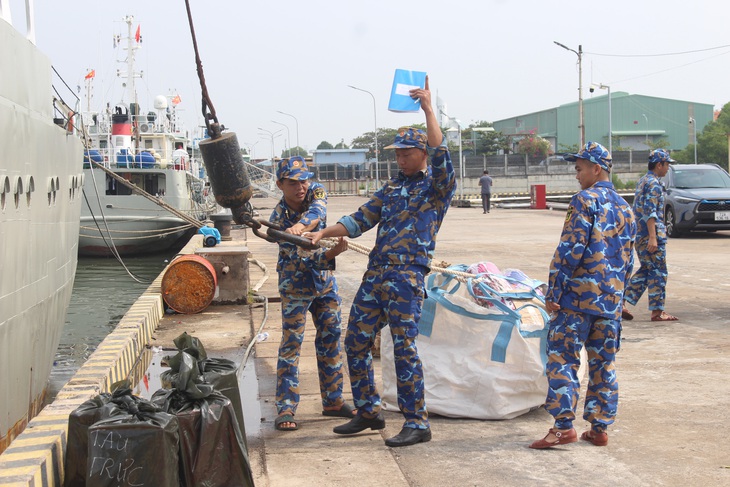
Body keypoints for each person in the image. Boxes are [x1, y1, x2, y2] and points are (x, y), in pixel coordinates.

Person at [309, 76, 456, 447]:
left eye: (407, 152)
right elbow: (360, 219)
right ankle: (368, 411)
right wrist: (323, 233)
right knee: (355, 341)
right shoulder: (392, 188)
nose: (401, 157)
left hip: (407, 275)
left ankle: (417, 421)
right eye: (397, 153)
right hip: (376, 274)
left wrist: (427, 109)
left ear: (422, 154)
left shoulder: (436, 187)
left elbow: (442, 154)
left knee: (403, 347)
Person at [530, 142, 636, 449]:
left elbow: (570, 250)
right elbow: (628, 260)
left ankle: (563, 427)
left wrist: (554, 290)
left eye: (579, 169)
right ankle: (599, 427)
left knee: (563, 359)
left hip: (577, 299)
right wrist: (619, 298)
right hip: (610, 302)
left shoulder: (584, 200)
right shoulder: (625, 208)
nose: (576, 175)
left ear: (596, 168)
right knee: (604, 363)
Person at [270, 156, 354, 431]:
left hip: (325, 284)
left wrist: (302, 227)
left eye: (303, 179)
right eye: (293, 182)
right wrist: (330, 252)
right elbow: (305, 261)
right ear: (280, 184)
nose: (300, 187)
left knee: (331, 340)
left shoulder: (316, 190)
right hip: (296, 286)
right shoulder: (277, 220)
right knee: (291, 345)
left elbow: (318, 210)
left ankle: (333, 400)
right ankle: (286, 407)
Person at [622, 149, 678, 322]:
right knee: (659, 272)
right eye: (667, 164)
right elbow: (650, 211)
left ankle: (620, 302)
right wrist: (653, 237)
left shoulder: (643, 181)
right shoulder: (653, 184)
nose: (668, 168)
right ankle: (657, 311)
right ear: (659, 164)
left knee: (648, 270)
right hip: (650, 234)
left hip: (639, 234)